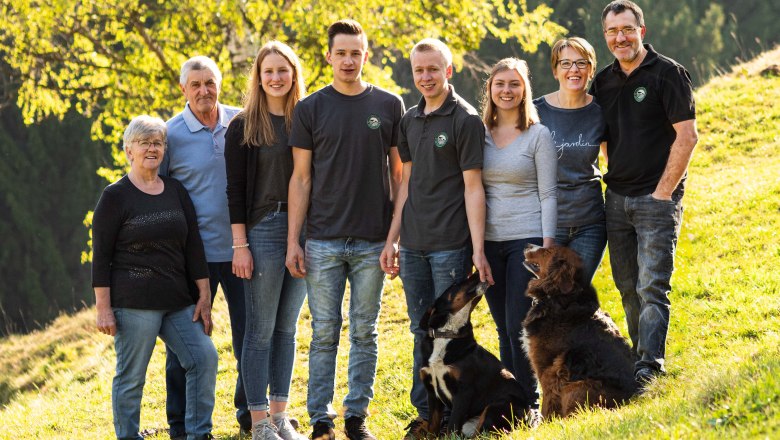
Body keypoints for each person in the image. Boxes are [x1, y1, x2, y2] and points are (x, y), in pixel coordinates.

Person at [285, 19, 405, 440]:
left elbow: (399, 174)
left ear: (365, 56)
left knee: (365, 331)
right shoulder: (311, 108)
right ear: (329, 57)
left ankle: (357, 417)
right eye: (342, 53)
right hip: (322, 240)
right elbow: (300, 179)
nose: (349, 60)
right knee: (323, 333)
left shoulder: (389, 105)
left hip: (373, 239)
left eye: (357, 53)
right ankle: (321, 418)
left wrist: (394, 237)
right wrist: (293, 242)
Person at [379, 38, 493, 439]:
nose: (425, 77)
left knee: (450, 332)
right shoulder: (409, 121)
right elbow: (405, 184)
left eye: (433, 69)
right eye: (419, 71)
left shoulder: (464, 119)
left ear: (448, 71)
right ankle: (425, 413)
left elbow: (473, 187)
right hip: (412, 245)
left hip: (449, 244)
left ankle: (454, 410)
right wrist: (392, 238)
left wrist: (477, 249)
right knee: (419, 328)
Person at [590, 0, 698, 384]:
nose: (620, 37)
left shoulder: (667, 73)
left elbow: (687, 137)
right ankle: (638, 357)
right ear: (605, 36)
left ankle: (650, 366)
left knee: (652, 284)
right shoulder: (601, 81)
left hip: (656, 199)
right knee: (627, 285)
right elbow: (603, 137)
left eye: (627, 29)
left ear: (641, 31)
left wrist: (662, 193)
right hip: (616, 199)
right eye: (612, 31)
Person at [92, 115, 218, 440]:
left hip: (178, 301)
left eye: (158, 142)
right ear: (128, 150)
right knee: (132, 377)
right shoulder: (115, 196)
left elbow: (193, 246)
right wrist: (103, 309)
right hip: (134, 304)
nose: (152, 148)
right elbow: (101, 258)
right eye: (144, 142)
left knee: (203, 357)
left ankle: (198, 434)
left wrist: (204, 295)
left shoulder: (175, 189)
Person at [160, 56, 250, 437]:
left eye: (209, 82)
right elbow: (158, 193)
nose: (203, 91)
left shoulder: (242, 122)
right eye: (195, 84)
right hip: (192, 260)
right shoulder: (169, 134)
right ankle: (180, 424)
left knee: (251, 336)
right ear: (183, 89)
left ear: (220, 83)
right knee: (186, 345)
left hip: (243, 252)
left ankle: (251, 413)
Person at [225, 41, 308, 440]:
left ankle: (280, 416)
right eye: (268, 71)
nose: (276, 78)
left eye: (283, 70)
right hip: (264, 230)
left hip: (306, 231)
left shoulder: (307, 118)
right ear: (258, 77)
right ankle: (258, 422)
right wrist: (240, 245)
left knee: (287, 330)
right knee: (259, 329)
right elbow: (235, 191)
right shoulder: (244, 125)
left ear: (294, 74)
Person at [481, 57, 556, 414]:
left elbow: (548, 194)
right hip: (488, 242)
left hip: (526, 242)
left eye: (514, 84)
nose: (507, 91)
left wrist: (547, 245)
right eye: (500, 84)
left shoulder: (537, 135)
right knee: (501, 326)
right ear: (490, 89)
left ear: (524, 89)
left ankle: (532, 403)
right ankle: (512, 402)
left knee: (517, 325)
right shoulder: (478, 133)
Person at [534, 37, 608, 283]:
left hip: (590, 223)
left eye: (581, 63)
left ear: (591, 69)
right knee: (544, 294)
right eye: (565, 63)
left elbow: (614, 159)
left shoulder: (601, 112)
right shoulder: (535, 113)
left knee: (574, 296)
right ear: (555, 70)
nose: (574, 70)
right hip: (546, 224)